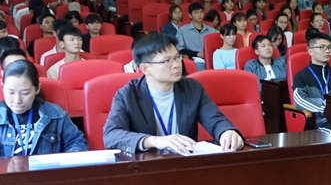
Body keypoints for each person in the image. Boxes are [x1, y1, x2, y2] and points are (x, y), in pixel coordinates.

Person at [103, 33, 243, 154]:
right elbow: (111, 135)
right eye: (166, 61)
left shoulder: (192, 88)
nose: (176, 65)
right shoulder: (127, 95)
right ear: (145, 68)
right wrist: (154, 141)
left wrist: (226, 131)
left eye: (177, 57)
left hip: (185, 163)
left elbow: (214, 119)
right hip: (145, 166)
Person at [0, 60, 87, 159]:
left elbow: (77, 143)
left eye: (25, 93)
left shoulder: (56, 115)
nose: (17, 100)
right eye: (10, 92)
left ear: (37, 89)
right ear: (3, 88)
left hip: (46, 179)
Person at [291, 32, 331, 132]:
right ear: (310, 51)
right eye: (322, 47)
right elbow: (299, 101)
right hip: (317, 124)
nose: (327, 51)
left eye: (329, 47)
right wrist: (328, 109)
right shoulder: (301, 76)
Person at [176, 2, 217, 70]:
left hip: (211, 59)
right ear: (190, 15)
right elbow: (180, 49)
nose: (199, 15)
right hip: (194, 59)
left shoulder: (212, 31)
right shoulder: (182, 31)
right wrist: (197, 53)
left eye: (201, 12)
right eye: (196, 12)